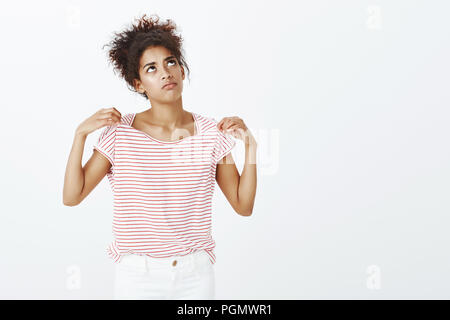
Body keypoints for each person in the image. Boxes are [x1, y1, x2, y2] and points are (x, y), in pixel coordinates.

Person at [62, 13, 258, 300]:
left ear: (182, 71)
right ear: (139, 84)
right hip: (137, 278)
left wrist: (250, 148)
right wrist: (79, 135)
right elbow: (72, 196)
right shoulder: (120, 134)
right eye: (151, 68)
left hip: (196, 276)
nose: (165, 73)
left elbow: (243, 206)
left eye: (171, 62)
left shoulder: (210, 134)